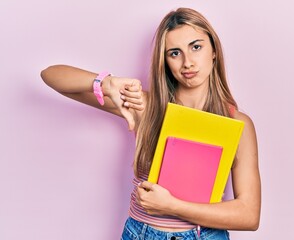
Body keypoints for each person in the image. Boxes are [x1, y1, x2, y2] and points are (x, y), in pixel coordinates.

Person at [41, 7, 261, 240]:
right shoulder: (146, 106)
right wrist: (106, 83)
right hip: (141, 234)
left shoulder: (237, 124)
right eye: (174, 53)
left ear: (214, 51)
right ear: (164, 60)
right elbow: (51, 76)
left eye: (196, 47)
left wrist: (171, 206)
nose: (187, 62)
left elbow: (249, 215)